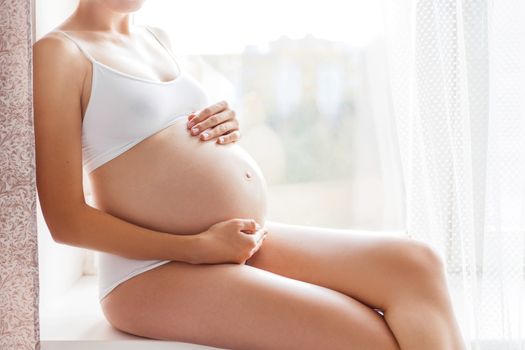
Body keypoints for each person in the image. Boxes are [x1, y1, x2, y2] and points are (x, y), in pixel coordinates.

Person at [33, 1, 467, 349]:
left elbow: (160, 137)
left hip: (230, 242)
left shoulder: (155, 38)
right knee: (368, 336)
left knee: (417, 263)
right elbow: (65, 219)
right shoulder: (60, 53)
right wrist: (196, 248)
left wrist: (224, 123)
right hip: (151, 270)